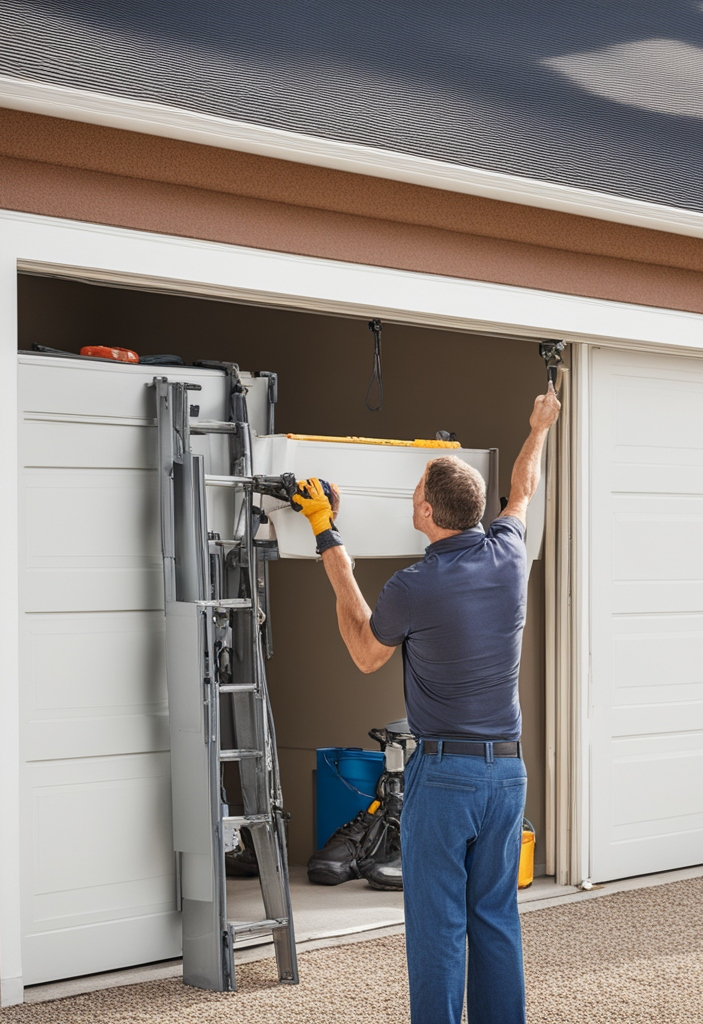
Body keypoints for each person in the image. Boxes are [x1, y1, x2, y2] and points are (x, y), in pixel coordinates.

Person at [292, 381, 562, 1024]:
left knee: (438, 925)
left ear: (428, 516)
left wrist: (326, 534)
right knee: (494, 916)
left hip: (446, 779)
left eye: (415, 492)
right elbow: (522, 485)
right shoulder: (508, 552)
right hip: (507, 774)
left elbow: (365, 651)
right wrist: (540, 426)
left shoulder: (414, 585)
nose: (411, 498)